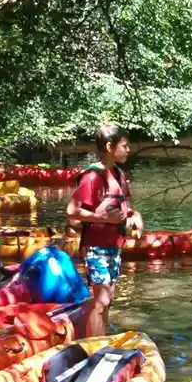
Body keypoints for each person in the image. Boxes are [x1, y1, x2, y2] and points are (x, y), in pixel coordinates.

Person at [66, 124, 144, 337]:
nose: (128, 150)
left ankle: (102, 341)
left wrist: (135, 216)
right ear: (110, 146)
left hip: (114, 246)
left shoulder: (119, 174)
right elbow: (71, 211)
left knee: (108, 299)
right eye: (124, 146)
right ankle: (94, 347)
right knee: (101, 300)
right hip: (95, 247)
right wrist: (104, 218)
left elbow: (126, 208)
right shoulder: (93, 177)